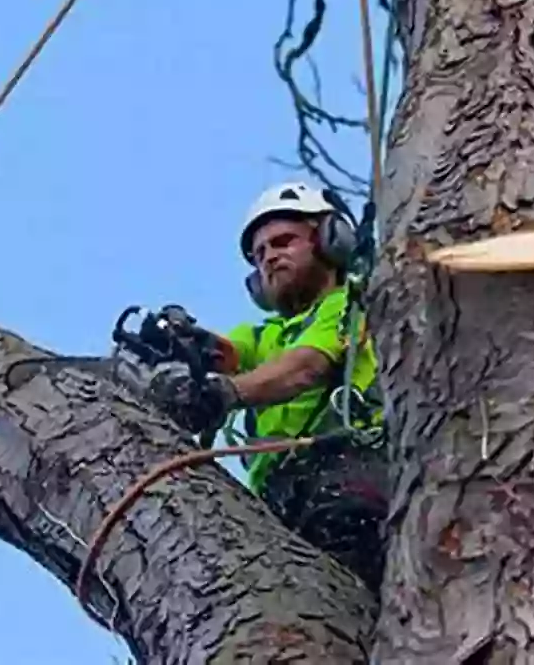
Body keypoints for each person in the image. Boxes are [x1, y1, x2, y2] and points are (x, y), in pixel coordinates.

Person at [153, 181, 389, 589]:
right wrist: (181, 346)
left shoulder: (351, 304)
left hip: (347, 471)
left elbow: (306, 366)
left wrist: (228, 394)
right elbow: (226, 352)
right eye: (260, 254)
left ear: (330, 241)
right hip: (277, 497)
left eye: (283, 242)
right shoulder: (263, 335)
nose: (270, 258)